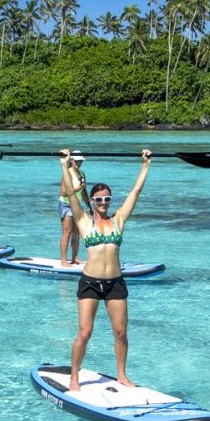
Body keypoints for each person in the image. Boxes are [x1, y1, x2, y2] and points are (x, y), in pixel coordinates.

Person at [60, 148, 152, 391]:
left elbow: (136, 192)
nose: (103, 203)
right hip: (90, 281)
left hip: (115, 283)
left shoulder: (118, 220)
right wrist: (65, 165)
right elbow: (70, 192)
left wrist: (145, 165)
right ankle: (74, 376)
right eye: (98, 199)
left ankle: (121, 374)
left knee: (121, 333)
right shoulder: (83, 221)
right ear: (91, 201)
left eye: (107, 199)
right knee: (84, 332)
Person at [58, 153, 86, 265]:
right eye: (77, 161)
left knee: (76, 233)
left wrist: (89, 204)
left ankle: (75, 258)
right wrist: (79, 187)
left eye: (81, 162)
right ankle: (64, 260)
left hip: (77, 205)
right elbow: (64, 193)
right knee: (67, 232)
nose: (79, 164)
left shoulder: (81, 174)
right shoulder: (67, 173)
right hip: (66, 205)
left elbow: (83, 192)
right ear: (72, 161)